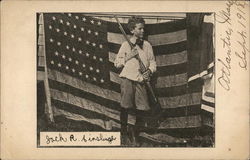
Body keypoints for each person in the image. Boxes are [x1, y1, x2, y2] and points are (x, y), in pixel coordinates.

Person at [114, 16, 157, 146]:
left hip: (141, 80)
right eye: (140, 28)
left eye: (143, 28)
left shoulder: (147, 45)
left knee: (141, 108)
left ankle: (135, 134)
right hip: (127, 78)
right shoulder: (126, 45)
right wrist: (128, 57)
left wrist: (149, 72)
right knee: (125, 106)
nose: (143, 30)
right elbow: (117, 64)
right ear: (132, 30)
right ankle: (123, 133)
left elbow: (153, 63)